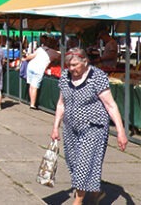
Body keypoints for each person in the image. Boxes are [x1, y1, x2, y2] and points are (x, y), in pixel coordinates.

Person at [51, 48, 127, 205]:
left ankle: (77, 202)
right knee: (73, 163)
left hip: (94, 127)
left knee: (84, 164)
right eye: (68, 65)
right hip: (71, 127)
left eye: (74, 65)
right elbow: (61, 103)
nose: (71, 69)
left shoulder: (96, 76)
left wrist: (120, 132)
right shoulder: (65, 77)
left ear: (85, 62)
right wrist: (55, 127)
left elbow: (111, 105)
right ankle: (96, 192)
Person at [24, 35, 53, 110]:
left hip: (31, 66)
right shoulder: (53, 52)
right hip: (38, 69)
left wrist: (25, 58)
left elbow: (30, 57)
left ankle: (31, 102)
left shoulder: (40, 49)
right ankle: (32, 104)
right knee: (34, 86)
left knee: (31, 85)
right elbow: (62, 57)